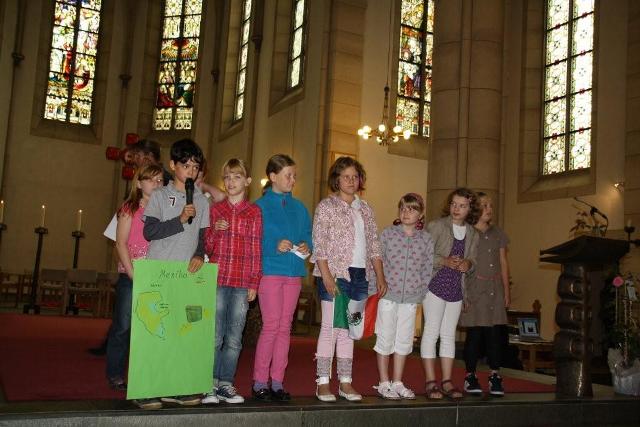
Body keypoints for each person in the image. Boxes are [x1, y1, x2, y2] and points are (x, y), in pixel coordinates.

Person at [310, 156, 387, 402]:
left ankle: (345, 382)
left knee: (350, 330)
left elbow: (374, 245)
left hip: (360, 276)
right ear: (337, 180)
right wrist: (327, 276)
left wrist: (380, 275)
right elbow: (319, 244)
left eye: (355, 177)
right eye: (346, 177)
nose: (351, 181)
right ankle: (323, 382)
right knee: (331, 327)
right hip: (336, 273)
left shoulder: (366, 209)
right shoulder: (327, 206)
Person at [141, 138, 210, 409]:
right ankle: (146, 388)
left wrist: (198, 254)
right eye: (185, 165)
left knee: (180, 332)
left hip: (185, 275)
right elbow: (150, 232)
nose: (191, 171)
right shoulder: (159, 195)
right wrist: (179, 220)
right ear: (172, 165)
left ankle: (176, 387)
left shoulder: (202, 200)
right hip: (159, 271)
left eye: (195, 167)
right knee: (155, 332)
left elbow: (203, 236)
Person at [201, 159, 262, 405]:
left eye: (237, 177)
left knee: (235, 338)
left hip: (241, 282)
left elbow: (255, 250)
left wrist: (254, 282)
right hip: (218, 280)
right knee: (215, 336)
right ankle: (208, 384)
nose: (231, 182)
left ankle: (226, 383)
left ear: (247, 181)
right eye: (227, 177)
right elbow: (207, 247)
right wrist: (215, 230)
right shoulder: (216, 210)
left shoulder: (254, 212)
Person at [251, 154, 312, 401]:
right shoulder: (259, 207)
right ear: (273, 176)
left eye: (294, 176)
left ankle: (277, 381)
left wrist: (307, 245)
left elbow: (308, 233)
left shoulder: (300, 207)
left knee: (285, 328)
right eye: (288, 175)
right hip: (271, 272)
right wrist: (273, 245)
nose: (292, 180)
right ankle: (259, 382)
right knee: (271, 326)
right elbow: (253, 241)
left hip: (294, 273)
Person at [105, 164, 164, 394]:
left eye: (160, 180)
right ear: (139, 183)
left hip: (156, 275)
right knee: (123, 326)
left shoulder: (164, 210)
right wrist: (132, 274)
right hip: (132, 275)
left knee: (152, 328)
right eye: (151, 179)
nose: (156, 184)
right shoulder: (129, 208)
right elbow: (120, 243)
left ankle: (147, 373)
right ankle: (115, 373)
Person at [421, 188, 479, 400]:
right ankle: (430, 381)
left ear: (470, 209)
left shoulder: (473, 233)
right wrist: (444, 261)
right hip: (435, 285)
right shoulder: (436, 226)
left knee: (448, 335)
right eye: (454, 204)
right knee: (431, 333)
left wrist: (468, 264)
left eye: (462, 206)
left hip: (456, 288)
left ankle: (446, 381)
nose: (457, 209)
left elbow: (473, 261)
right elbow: (423, 255)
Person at [374, 193, 434, 400]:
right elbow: (377, 260)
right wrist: (376, 286)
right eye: (403, 208)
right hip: (388, 295)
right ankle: (384, 382)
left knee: (404, 340)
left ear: (421, 214)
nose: (406, 212)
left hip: (410, 298)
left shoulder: (426, 239)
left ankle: (397, 382)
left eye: (412, 209)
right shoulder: (388, 234)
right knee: (385, 337)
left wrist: (421, 291)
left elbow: (427, 268)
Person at [459, 192, 510, 396]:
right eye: (485, 205)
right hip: (474, 289)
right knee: (475, 333)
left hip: (494, 289)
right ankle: (470, 375)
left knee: (494, 334)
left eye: (490, 205)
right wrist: (463, 294)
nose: (489, 209)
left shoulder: (498, 233)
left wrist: (506, 291)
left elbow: (503, 262)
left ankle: (495, 375)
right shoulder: (468, 233)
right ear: (475, 209)